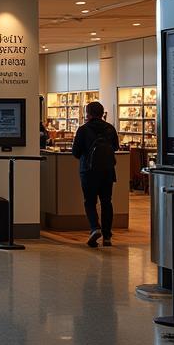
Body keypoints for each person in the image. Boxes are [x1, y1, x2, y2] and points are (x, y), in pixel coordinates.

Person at [72, 101, 120, 247]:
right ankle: (107, 236)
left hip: (88, 171)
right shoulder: (110, 129)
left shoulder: (83, 130)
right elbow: (115, 148)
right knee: (107, 201)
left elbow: (76, 152)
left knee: (90, 201)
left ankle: (95, 228)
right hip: (107, 171)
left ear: (88, 113)